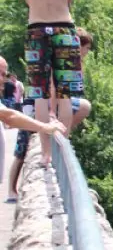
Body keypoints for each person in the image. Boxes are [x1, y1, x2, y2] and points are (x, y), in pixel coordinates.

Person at [16, 0, 83, 165]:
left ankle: (45, 154)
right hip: (64, 27)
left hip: (36, 29)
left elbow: (28, 0)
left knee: (41, 95)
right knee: (64, 94)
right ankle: (62, 149)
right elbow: (68, 1)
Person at [8, 30, 94, 203]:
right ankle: (11, 190)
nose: (87, 52)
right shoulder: (62, 57)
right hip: (35, 106)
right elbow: (53, 88)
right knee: (21, 149)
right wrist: (52, 113)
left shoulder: (50, 51)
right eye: (86, 48)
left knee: (22, 149)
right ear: (78, 45)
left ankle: (12, 190)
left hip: (37, 105)